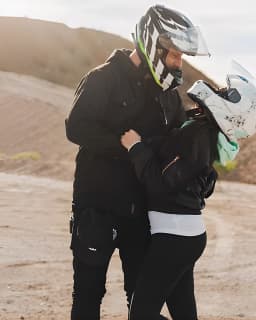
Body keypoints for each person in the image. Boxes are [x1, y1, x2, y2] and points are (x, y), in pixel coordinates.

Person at [65, 4, 210, 320]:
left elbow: (176, 150)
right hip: (96, 208)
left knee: (140, 302)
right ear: (152, 43)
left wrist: (201, 170)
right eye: (174, 54)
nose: (178, 63)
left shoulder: (169, 95)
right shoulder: (103, 78)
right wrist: (128, 146)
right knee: (87, 297)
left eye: (181, 56)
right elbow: (75, 127)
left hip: (142, 214)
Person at [121, 67, 256, 320]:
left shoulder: (197, 135)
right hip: (184, 235)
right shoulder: (203, 133)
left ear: (232, 111)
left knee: (141, 316)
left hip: (175, 237)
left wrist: (136, 148)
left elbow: (161, 183)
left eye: (227, 93)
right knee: (184, 314)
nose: (219, 91)